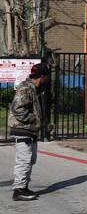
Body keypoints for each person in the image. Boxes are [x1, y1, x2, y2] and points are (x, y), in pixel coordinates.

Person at [9, 62, 51, 201]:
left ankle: (24, 186)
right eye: (48, 76)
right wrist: (34, 120)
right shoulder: (26, 88)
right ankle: (18, 190)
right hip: (22, 129)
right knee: (24, 160)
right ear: (42, 76)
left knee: (30, 159)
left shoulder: (36, 89)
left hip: (30, 130)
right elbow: (18, 109)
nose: (49, 79)